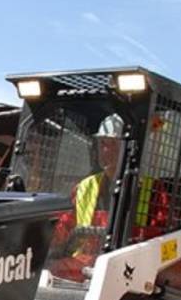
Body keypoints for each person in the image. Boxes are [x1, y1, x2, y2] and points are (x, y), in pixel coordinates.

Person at [49, 114, 125, 281]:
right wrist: (45, 240)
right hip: (85, 263)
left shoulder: (148, 191)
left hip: (123, 265)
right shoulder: (85, 187)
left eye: (113, 144)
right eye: (103, 144)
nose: (105, 150)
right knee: (48, 270)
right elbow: (66, 224)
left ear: (127, 148)